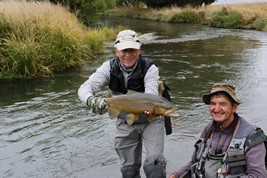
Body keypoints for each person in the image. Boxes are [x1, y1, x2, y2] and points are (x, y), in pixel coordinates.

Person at [78, 29, 167, 178]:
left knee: (154, 165)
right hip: (125, 121)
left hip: (151, 121)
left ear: (139, 49)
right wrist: (91, 101)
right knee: (129, 170)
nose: (128, 54)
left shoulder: (150, 68)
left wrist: (148, 107)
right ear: (116, 51)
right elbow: (85, 88)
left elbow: (151, 95)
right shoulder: (108, 68)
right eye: (124, 50)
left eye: (132, 49)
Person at [169, 83, 267, 178]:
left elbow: (258, 175)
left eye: (222, 104)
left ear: (234, 107)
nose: (216, 109)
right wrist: (176, 175)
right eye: (213, 104)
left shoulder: (252, 137)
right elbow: (194, 162)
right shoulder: (207, 130)